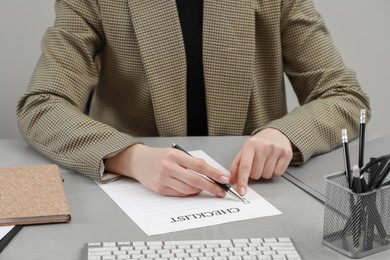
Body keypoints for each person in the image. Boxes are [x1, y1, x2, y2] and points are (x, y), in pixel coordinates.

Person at [17, 0, 370, 199]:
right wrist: (131, 158)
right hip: (132, 193)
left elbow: (345, 96)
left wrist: (284, 135)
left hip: (255, 193)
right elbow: (42, 104)